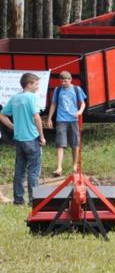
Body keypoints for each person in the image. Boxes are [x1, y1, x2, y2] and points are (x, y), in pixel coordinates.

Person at [0, 73, 46, 205]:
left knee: (19, 170)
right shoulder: (32, 98)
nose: (37, 87)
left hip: (19, 139)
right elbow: (37, 118)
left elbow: (2, 115)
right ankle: (33, 201)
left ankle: (18, 200)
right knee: (33, 170)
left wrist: (13, 126)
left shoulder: (15, 98)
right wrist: (42, 136)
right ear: (29, 84)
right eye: (36, 84)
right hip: (31, 138)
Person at [45, 71, 86, 177]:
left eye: (65, 81)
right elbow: (53, 104)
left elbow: (83, 103)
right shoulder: (57, 90)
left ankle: (74, 165)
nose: (63, 83)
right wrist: (49, 118)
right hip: (61, 119)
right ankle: (59, 167)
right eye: (62, 81)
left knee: (75, 143)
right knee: (60, 143)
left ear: (70, 79)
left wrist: (80, 111)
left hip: (73, 119)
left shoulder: (77, 89)